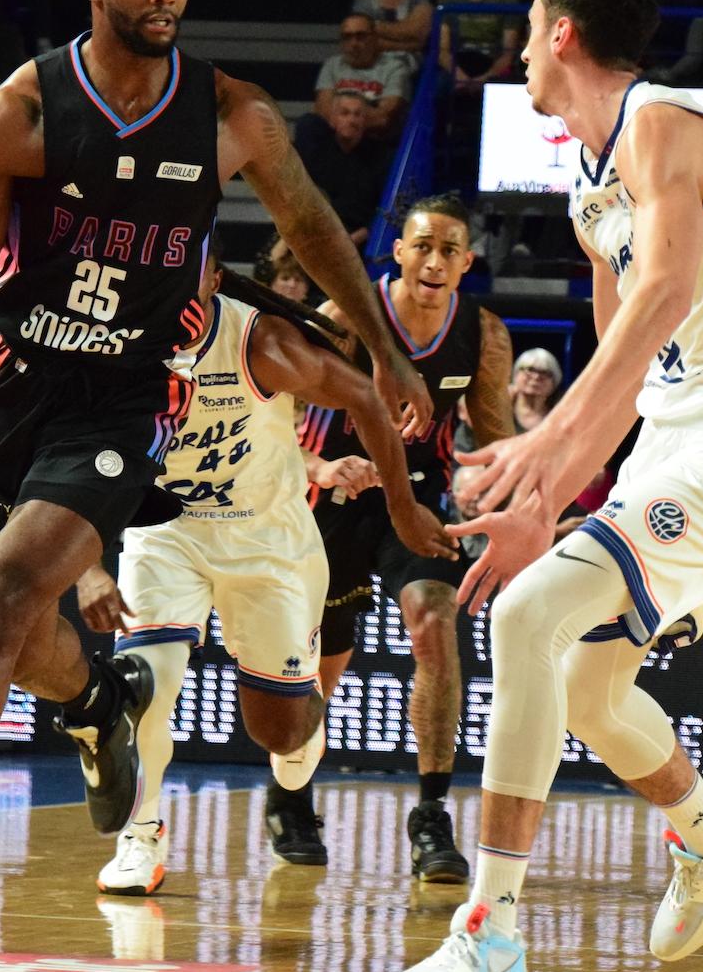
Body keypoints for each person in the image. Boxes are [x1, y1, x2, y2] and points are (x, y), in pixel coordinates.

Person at [0, 0, 434, 947]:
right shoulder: (16, 113)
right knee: (14, 634)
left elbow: (308, 223)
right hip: (17, 387)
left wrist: (385, 350)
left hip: (123, 401)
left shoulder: (230, 116)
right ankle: (98, 702)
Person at [386, 0, 703, 972]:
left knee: (528, 617)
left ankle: (489, 935)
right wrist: (540, 499)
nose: (518, 52)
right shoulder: (592, 188)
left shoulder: (660, 127)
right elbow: (620, 374)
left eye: (527, 30)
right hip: (672, 440)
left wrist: (543, 452)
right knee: (584, 687)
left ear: (560, 34)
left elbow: (666, 290)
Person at [77, 249, 445, 889]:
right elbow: (80, 455)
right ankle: (142, 836)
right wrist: (87, 565)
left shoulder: (257, 340)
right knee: (147, 688)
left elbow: (362, 394)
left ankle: (306, 717)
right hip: (166, 534)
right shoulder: (118, 342)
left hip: (266, 541)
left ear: (214, 278)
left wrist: (404, 508)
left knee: (279, 736)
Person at [302, 196, 515, 878]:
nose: (434, 260)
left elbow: (495, 436)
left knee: (434, 618)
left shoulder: (481, 333)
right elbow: (270, 411)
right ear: (398, 252)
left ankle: (431, 812)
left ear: (466, 263)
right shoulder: (343, 316)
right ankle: (291, 788)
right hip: (334, 494)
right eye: (423, 245)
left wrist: (510, 498)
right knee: (324, 664)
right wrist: (318, 465)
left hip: (417, 500)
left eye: (450, 249)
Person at [296, 92, 390, 246]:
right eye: (344, 113)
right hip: (311, 230)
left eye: (357, 114)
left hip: (354, 238)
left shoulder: (380, 157)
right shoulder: (318, 149)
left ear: (365, 120)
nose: (351, 120)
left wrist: (352, 241)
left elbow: (381, 212)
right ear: (332, 119)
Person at [435, 0, 521, 93]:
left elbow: (508, 53)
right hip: (457, 64)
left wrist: (485, 79)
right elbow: (442, 51)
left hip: (492, 65)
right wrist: (460, 77)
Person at [311, 13, 412, 143]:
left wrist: (349, 120)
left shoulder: (394, 67)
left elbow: (385, 114)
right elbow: (323, 108)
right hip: (337, 136)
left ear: (375, 38)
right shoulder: (332, 65)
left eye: (361, 36)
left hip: (374, 138)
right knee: (309, 124)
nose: (354, 43)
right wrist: (350, 122)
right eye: (347, 37)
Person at [508, 347, 561, 432]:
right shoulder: (500, 409)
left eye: (545, 372)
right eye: (530, 369)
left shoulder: (560, 417)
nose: (536, 377)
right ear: (516, 375)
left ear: (554, 383)